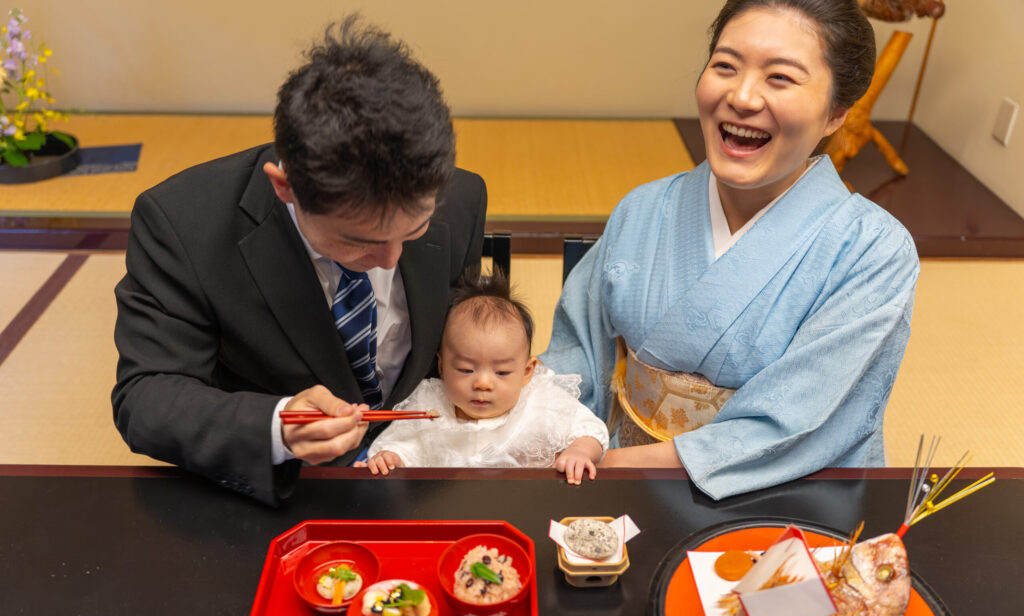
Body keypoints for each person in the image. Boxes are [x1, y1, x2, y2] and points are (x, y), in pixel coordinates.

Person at [541, 0, 920, 499]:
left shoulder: (872, 251)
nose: (741, 97)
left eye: (780, 78)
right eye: (725, 66)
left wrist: (614, 465)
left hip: (779, 499)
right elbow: (575, 360)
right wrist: (554, 441)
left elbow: (799, 426)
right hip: (611, 485)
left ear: (836, 114)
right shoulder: (645, 208)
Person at [111, 16, 487, 506]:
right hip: (285, 490)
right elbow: (146, 397)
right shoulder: (183, 224)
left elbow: (459, 344)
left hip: (428, 476)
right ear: (285, 187)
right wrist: (277, 427)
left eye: (413, 231)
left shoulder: (461, 198)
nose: (390, 260)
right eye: (359, 242)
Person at [360, 270, 608, 484]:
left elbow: (589, 429)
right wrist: (391, 457)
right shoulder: (430, 405)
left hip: (522, 507)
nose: (482, 384)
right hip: (448, 513)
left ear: (526, 372)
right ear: (442, 365)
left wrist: (580, 451)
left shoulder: (539, 399)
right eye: (466, 370)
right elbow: (403, 444)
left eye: (501, 372)